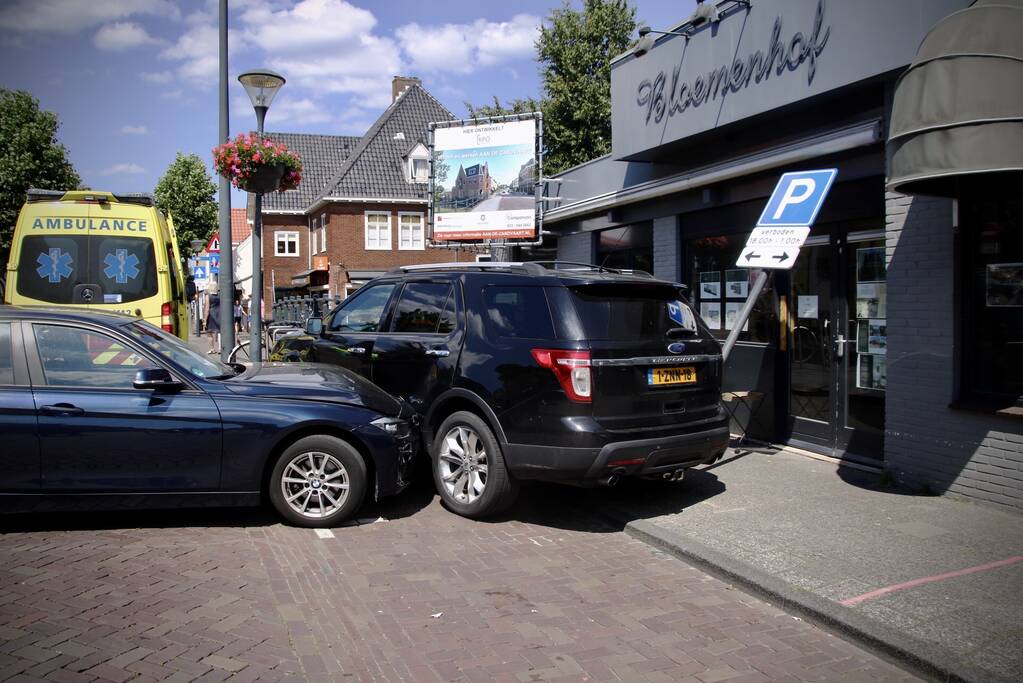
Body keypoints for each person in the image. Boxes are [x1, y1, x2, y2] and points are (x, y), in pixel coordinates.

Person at [204, 282, 221, 354]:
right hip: (219, 313)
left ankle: (212, 348)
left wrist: (205, 320)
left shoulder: (208, 296)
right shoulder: (220, 295)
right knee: (220, 332)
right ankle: (220, 348)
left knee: (209, 332)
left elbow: (207, 308)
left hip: (211, 315)